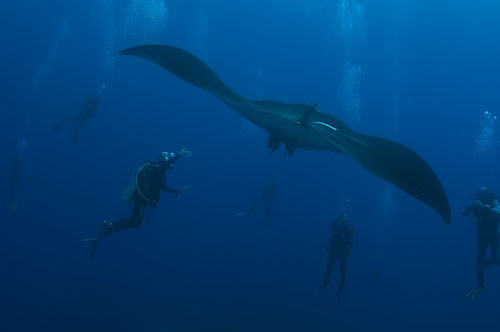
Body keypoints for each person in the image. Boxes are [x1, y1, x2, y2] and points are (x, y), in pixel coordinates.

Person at [84, 148, 191, 259]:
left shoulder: (158, 171)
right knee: (135, 222)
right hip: (141, 198)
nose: (168, 166)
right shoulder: (158, 168)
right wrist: (180, 155)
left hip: (142, 198)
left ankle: (110, 227)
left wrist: (177, 190)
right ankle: (109, 228)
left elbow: (163, 187)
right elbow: (166, 166)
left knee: (134, 221)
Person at [463, 186, 500, 300]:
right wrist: (470, 207)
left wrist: (485, 207)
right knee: (479, 262)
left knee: (496, 259)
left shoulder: (492, 200)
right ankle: (480, 287)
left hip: (495, 235)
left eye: (483, 192)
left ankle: (489, 262)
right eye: (479, 192)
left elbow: (499, 212)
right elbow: (463, 214)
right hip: (482, 236)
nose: (481, 194)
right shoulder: (477, 203)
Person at [317, 213, 354, 306]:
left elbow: (352, 233)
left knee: (343, 275)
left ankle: (338, 294)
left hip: (343, 254)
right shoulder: (337, 227)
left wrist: (346, 227)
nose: (343, 222)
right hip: (334, 252)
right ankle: (324, 289)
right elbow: (332, 228)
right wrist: (336, 221)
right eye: (342, 220)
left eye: (345, 220)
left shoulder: (349, 229)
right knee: (328, 271)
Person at [8, 138, 28, 211]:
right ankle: (11, 202)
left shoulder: (17, 163)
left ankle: (11, 202)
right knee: (12, 190)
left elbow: (17, 170)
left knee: (13, 190)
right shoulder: (17, 163)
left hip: (15, 178)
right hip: (14, 179)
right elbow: (15, 170)